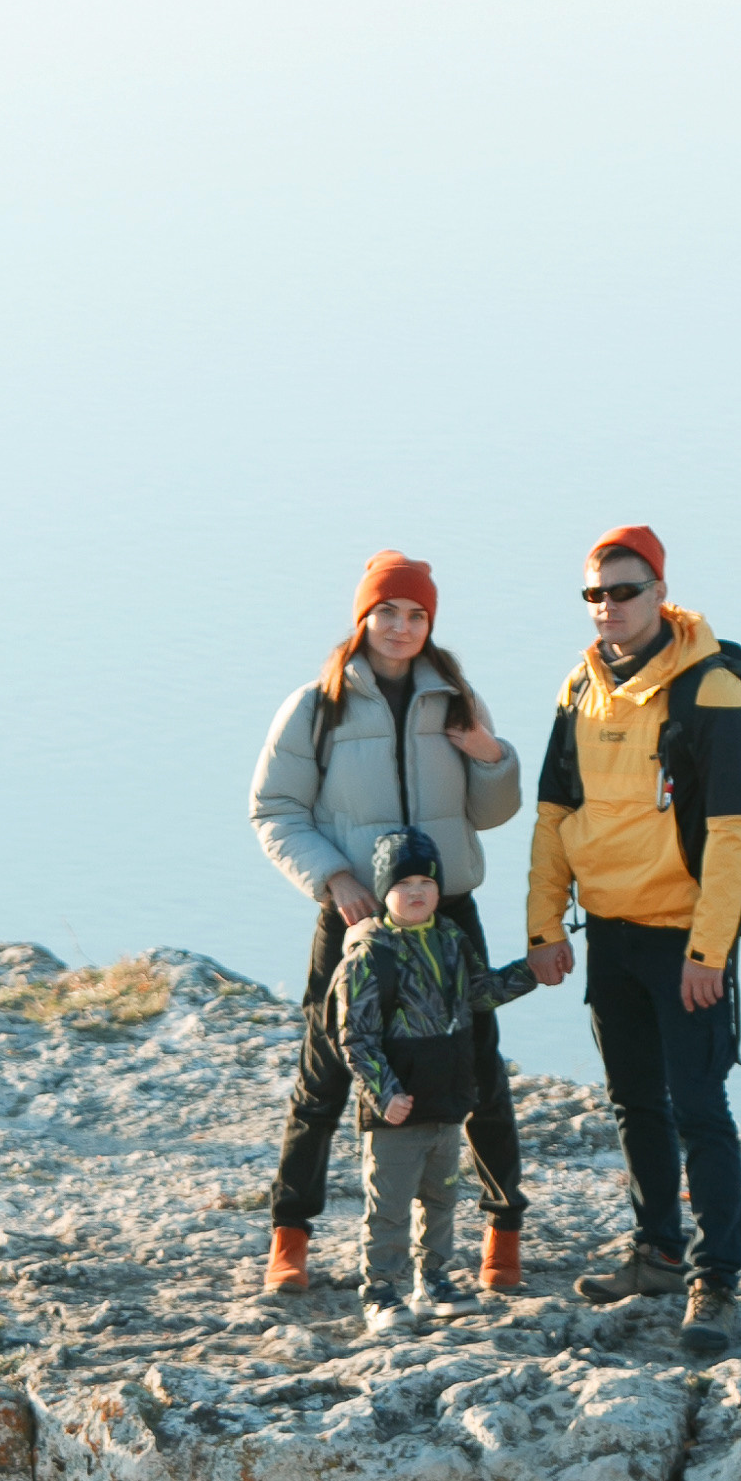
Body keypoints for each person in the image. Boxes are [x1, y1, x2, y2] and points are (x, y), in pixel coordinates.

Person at [251, 551, 527, 1296]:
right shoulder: (317, 705)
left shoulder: (456, 699)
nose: (401, 628)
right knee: (325, 1076)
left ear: (429, 623)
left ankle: (502, 1236)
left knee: (478, 1072)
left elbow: (492, 812)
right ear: (362, 617)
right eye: (387, 612)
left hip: (448, 915)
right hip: (354, 917)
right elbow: (274, 809)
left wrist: (490, 755)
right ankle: (291, 1237)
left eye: (416, 615)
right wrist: (334, 877)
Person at [526, 525, 741, 1358]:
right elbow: (554, 814)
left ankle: (717, 1278)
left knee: (699, 1107)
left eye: (623, 591)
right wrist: (542, 927)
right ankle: (658, 1251)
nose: (607, 608)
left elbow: (738, 830)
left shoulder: (710, 689)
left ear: (659, 592)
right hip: (611, 937)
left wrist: (708, 952)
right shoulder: (580, 688)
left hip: (683, 941)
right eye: (594, 595)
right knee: (634, 1103)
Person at [334, 829, 540, 1333]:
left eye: (426, 881)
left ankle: (434, 1282)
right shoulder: (368, 955)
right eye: (404, 883)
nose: (418, 892)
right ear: (383, 891)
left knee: (442, 1198)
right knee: (389, 1206)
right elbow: (355, 1039)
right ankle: (380, 1291)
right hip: (397, 1108)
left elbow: (480, 993)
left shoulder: (450, 938)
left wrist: (532, 971)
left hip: (446, 1100)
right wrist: (386, 1095)